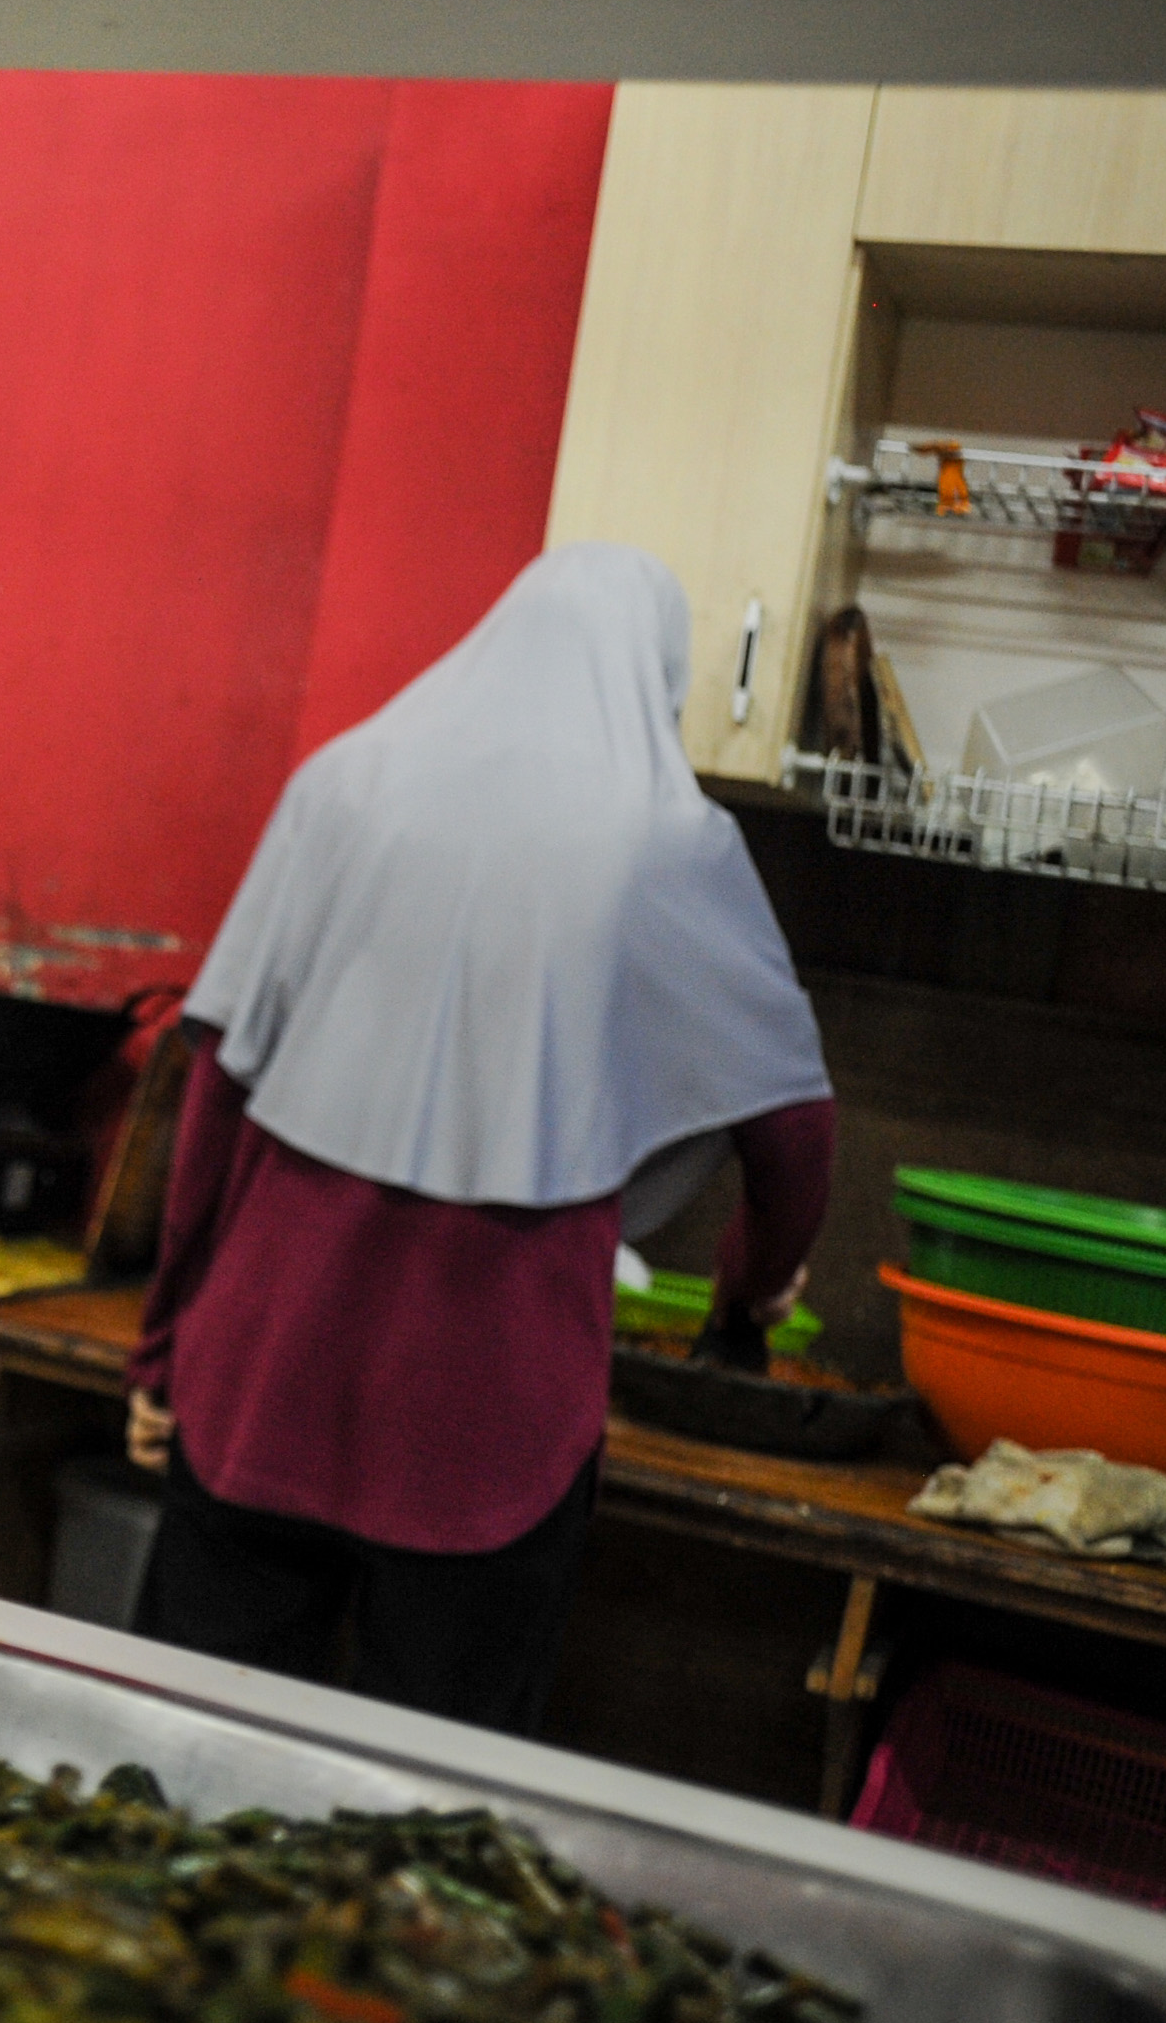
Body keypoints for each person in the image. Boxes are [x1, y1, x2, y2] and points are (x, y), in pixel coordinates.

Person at [120, 545, 834, 1733]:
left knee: (183, 1766)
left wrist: (162, 1347)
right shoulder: (668, 844)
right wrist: (749, 1295)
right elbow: (798, 1131)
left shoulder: (338, 786)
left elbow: (214, 1092)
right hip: (488, 1429)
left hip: (261, 1370)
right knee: (422, 1817)